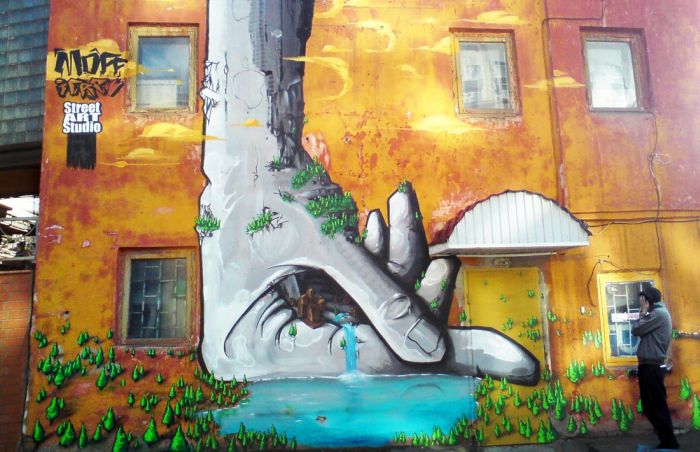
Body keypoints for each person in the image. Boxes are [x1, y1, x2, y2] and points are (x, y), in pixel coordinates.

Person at [632, 287, 679, 450]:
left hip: (652, 367)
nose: (640, 303)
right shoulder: (656, 314)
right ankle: (667, 441)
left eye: (642, 300)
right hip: (649, 366)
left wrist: (643, 312)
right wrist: (645, 312)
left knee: (656, 407)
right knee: (652, 406)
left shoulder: (658, 314)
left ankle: (669, 442)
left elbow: (636, 329)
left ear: (648, 300)